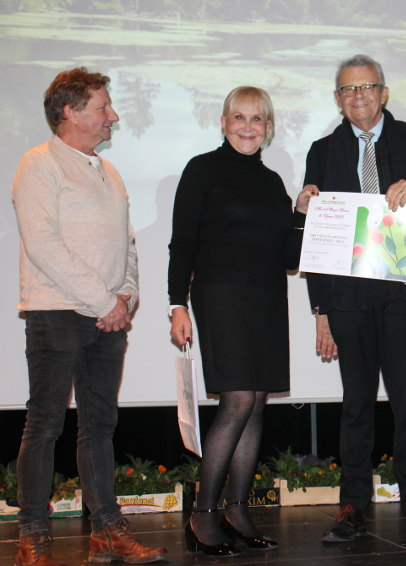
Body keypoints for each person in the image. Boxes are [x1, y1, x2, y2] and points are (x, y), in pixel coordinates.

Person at [303, 54, 406, 542]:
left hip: (402, 297)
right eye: (348, 90)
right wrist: (320, 309)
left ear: (384, 92)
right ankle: (351, 507)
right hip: (347, 299)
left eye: (367, 87)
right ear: (337, 99)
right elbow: (317, 238)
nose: (358, 96)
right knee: (355, 406)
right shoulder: (322, 150)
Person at [11, 67, 167, 566]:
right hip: (56, 313)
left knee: (99, 425)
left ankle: (107, 533)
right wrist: (106, 303)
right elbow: (44, 246)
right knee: (45, 424)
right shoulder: (38, 164)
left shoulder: (108, 169)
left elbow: (128, 243)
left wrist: (126, 295)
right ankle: (32, 535)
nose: (112, 115)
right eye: (102, 107)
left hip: (108, 317)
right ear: (70, 112)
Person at [168, 86, 311, 557]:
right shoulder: (201, 170)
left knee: (257, 403)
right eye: (239, 118)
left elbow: (289, 258)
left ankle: (237, 509)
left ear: (268, 127)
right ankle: (203, 513)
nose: (248, 127)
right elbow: (181, 244)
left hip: (267, 299)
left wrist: (301, 215)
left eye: (258, 119)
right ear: (224, 122)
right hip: (220, 296)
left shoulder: (272, 183)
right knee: (237, 401)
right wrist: (177, 305)